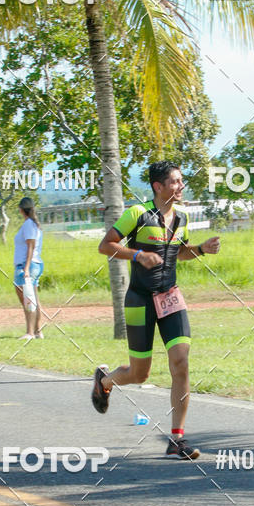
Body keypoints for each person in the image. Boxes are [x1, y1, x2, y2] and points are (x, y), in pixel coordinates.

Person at [92, 160, 220, 460]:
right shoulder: (137, 214)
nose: (180, 186)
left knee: (181, 362)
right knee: (139, 374)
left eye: (181, 180)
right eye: (174, 181)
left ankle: (177, 439)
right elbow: (105, 245)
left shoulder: (182, 218)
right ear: (157, 186)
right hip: (139, 300)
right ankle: (105, 381)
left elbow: (181, 252)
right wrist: (138, 254)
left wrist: (201, 249)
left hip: (171, 297)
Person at [13, 196, 44, 341]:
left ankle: (30, 332)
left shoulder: (28, 225)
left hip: (27, 265)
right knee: (33, 299)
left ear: (21, 209)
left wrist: (25, 269)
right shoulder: (33, 224)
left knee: (28, 300)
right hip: (33, 264)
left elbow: (30, 246)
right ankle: (37, 331)